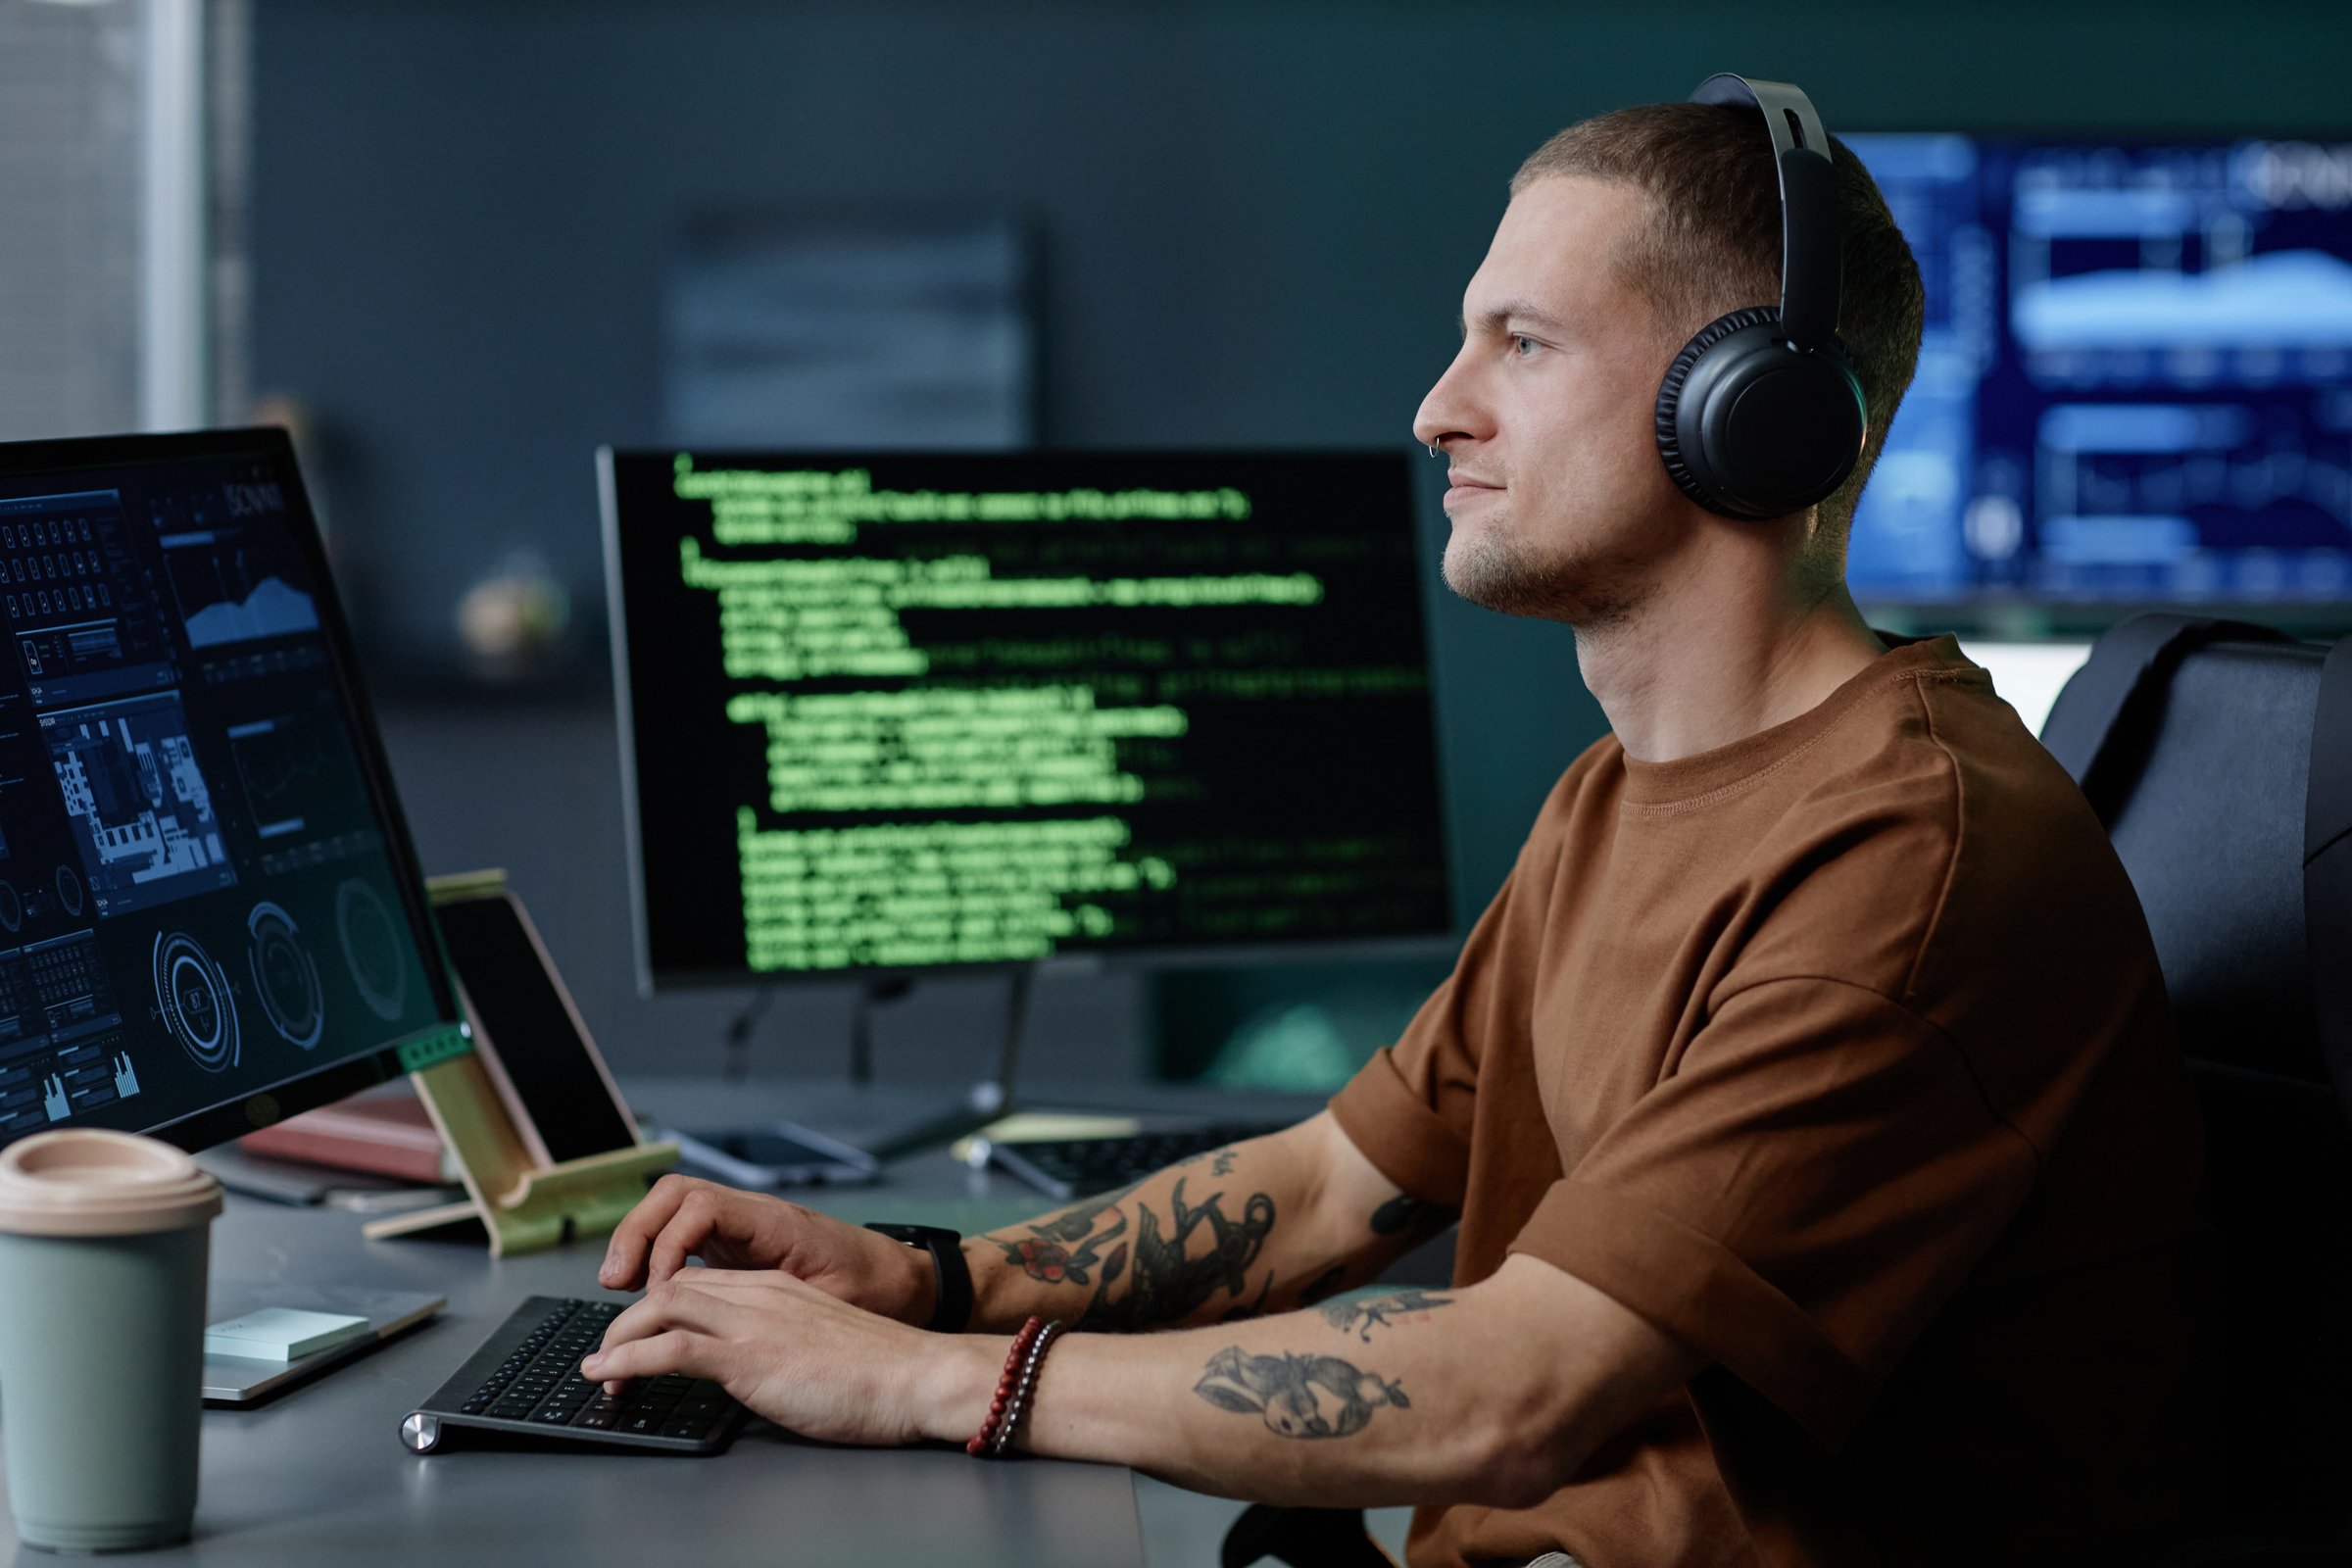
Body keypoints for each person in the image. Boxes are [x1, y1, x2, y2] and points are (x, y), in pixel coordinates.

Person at [581, 88, 2200, 1568]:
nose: (1437, 410)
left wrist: (933, 1384)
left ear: (1748, 411)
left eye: (1525, 344)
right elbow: (1330, 1188)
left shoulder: (1908, 860)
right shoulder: (1615, 800)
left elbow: (1514, 1397)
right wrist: (919, 1277)